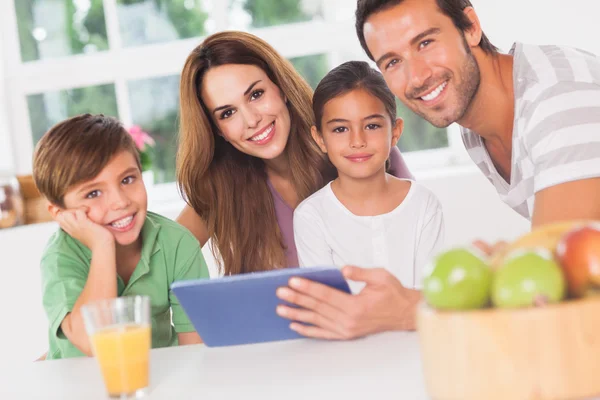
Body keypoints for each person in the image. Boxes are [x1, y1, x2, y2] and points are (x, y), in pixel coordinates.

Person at [276, 0, 600, 339]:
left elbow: (552, 298)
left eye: (425, 42)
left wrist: (410, 307)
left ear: (471, 26)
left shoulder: (559, 102)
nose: (416, 76)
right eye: (393, 61)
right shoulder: (474, 129)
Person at [176, 31, 413, 276]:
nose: (252, 120)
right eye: (227, 113)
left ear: (281, 87)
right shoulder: (221, 187)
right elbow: (165, 264)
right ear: (218, 131)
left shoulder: (362, 147)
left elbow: (415, 258)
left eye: (256, 95)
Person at [33, 114, 208, 360]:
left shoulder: (177, 244)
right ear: (60, 213)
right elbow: (93, 341)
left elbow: (195, 353)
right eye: (93, 193)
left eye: (127, 179)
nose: (120, 201)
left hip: (157, 380)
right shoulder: (61, 256)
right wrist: (103, 246)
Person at [292, 61, 444, 293]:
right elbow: (327, 303)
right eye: (340, 129)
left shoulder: (424, 204)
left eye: (372, 126)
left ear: (395, 132)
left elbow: (431, 296)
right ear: (320, 138)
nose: (357, 141)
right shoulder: (311, 217)